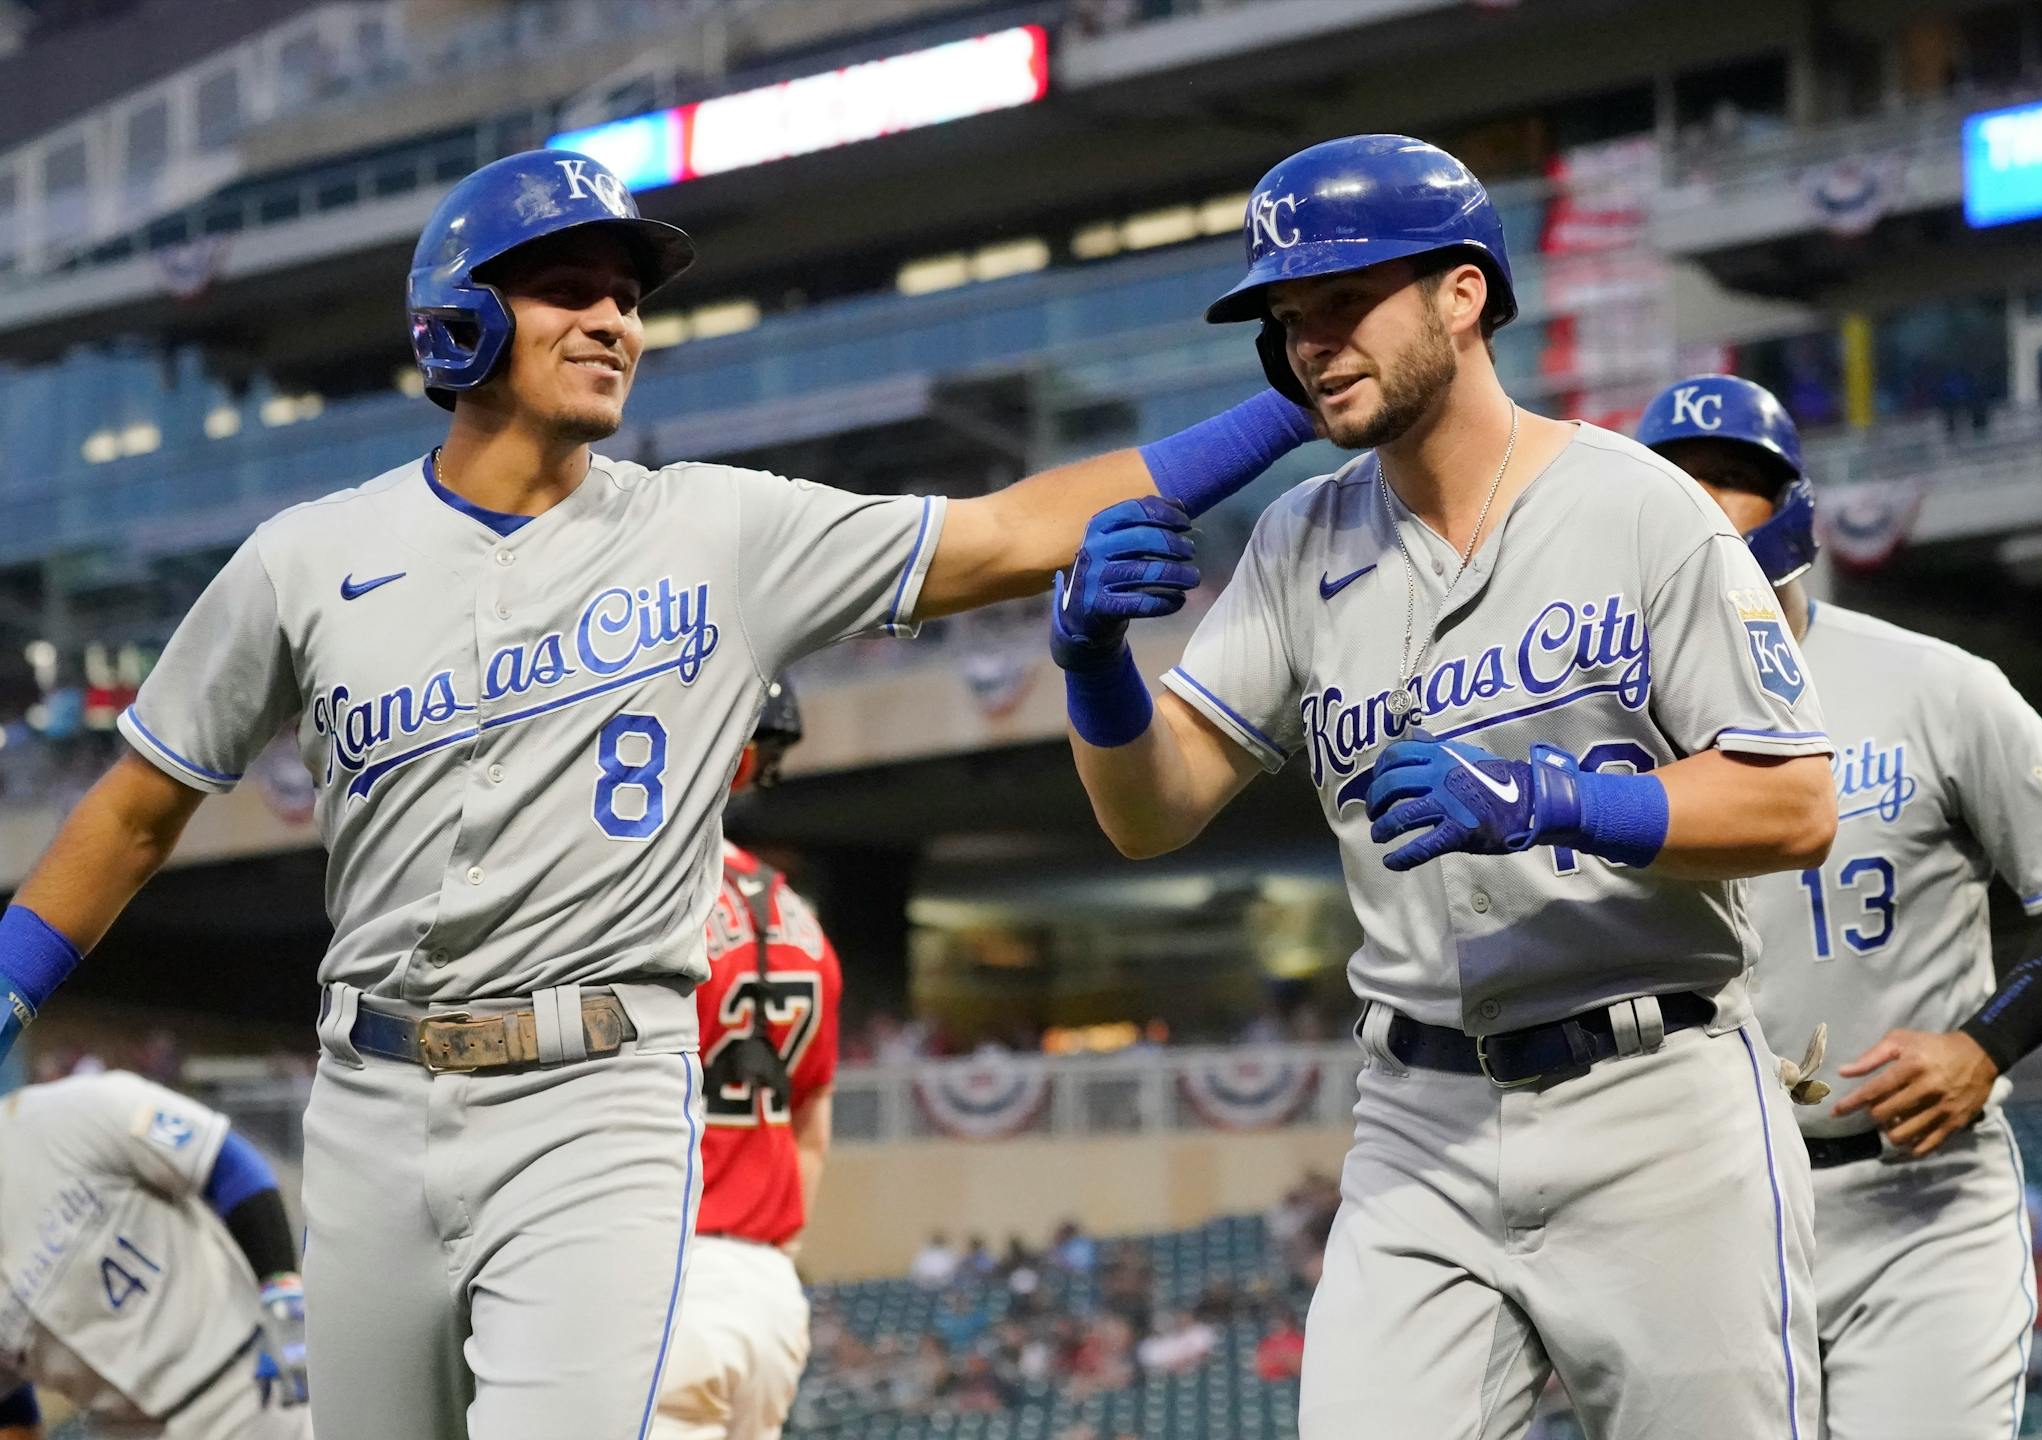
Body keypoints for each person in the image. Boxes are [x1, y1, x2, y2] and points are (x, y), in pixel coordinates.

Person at [0, 148, 1317, 1440]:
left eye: (629, 296)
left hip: (598, 1094)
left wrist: (1282, 407)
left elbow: (1010, 529)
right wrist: (9, 983)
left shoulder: (717, 531)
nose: (614, 318)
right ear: (455, 324)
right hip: (371, 1097)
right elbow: (137, 807)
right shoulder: (305, 559)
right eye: (570, 287)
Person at [1050, 134, 1838, 1438]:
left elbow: (1793, 805)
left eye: (1344, 300)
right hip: (1420, 1115)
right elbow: (1152, 811)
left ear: (1462, 293)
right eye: (1290, 317)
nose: (1311, 341)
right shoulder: (1303, 538)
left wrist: (1555, 803)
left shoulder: (1642, 508)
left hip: (1655, 1100)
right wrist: (1096, 670)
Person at [1637, 372, 2042, 1440]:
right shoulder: (1610, 729)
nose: (1707, 502)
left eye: (1736, 478)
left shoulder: (1933, 685)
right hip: (1712, 1219)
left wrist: (1985, 1046)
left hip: (1918, 1202)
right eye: (1677, 482)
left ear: (1792, 506)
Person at [651, 676, 835, 1440]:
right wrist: (773, 1256)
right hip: (766, 1290)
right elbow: (812, 1122)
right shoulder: (800, 918)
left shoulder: (642, 901)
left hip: (665, 1275)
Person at [0, 1071, 309, 1439]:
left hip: (249, 1393)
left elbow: (232, 1167)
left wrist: (280, 1292)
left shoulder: (66, 1114)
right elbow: (10, 1404)